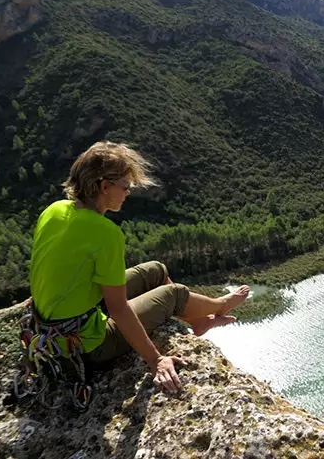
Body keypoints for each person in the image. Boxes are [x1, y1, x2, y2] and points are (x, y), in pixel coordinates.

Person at [29, 141, 249, 394]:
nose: (128, 192)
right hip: (84, 345)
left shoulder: (54, 210)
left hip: (51, 328)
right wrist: (156, 360)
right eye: (125, 186)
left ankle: (199, 321)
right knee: (174, 293)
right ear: (104, 186)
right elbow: (118, 309)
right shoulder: (105, 233)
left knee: (154, 270)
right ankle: (220, 305)